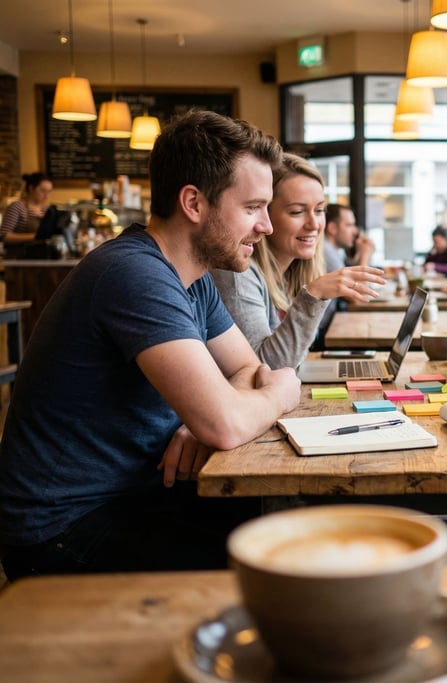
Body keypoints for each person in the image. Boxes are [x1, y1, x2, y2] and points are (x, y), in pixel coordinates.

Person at [0, 110, 303, 580]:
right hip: (62, 529)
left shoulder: (193, 277)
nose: (265, 226)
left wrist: (206, 416)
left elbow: (245, 368)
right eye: (252, 208)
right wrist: (281, 391)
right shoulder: (135, 275)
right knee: (274, 561)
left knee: (280, 522)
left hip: (134, 495)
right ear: (193, 203)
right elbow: (232, 417)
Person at [213, 153, 386, 369]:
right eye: (297, 212)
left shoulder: (285, 273)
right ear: (265, 215)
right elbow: (264, 369)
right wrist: (314, 295)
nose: (314, 224)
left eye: (320, 210)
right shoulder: (239, 276)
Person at [1, 171, 53, 243]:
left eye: (49, 192)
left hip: (43, 252)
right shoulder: (17, 207)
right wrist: (36, 236)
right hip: (20, 252)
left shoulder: (47, 209)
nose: (46, 196)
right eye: (43, 191)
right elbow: (4, 236)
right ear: (31, 188)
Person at [324, 203, 375, 271]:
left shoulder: (338, 251)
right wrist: (365, 256)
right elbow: (351, 281)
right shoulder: (326, 251)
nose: (355, 231)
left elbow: (349, 270)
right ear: (332, 228)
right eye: (349, 225)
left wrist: (359, 253)